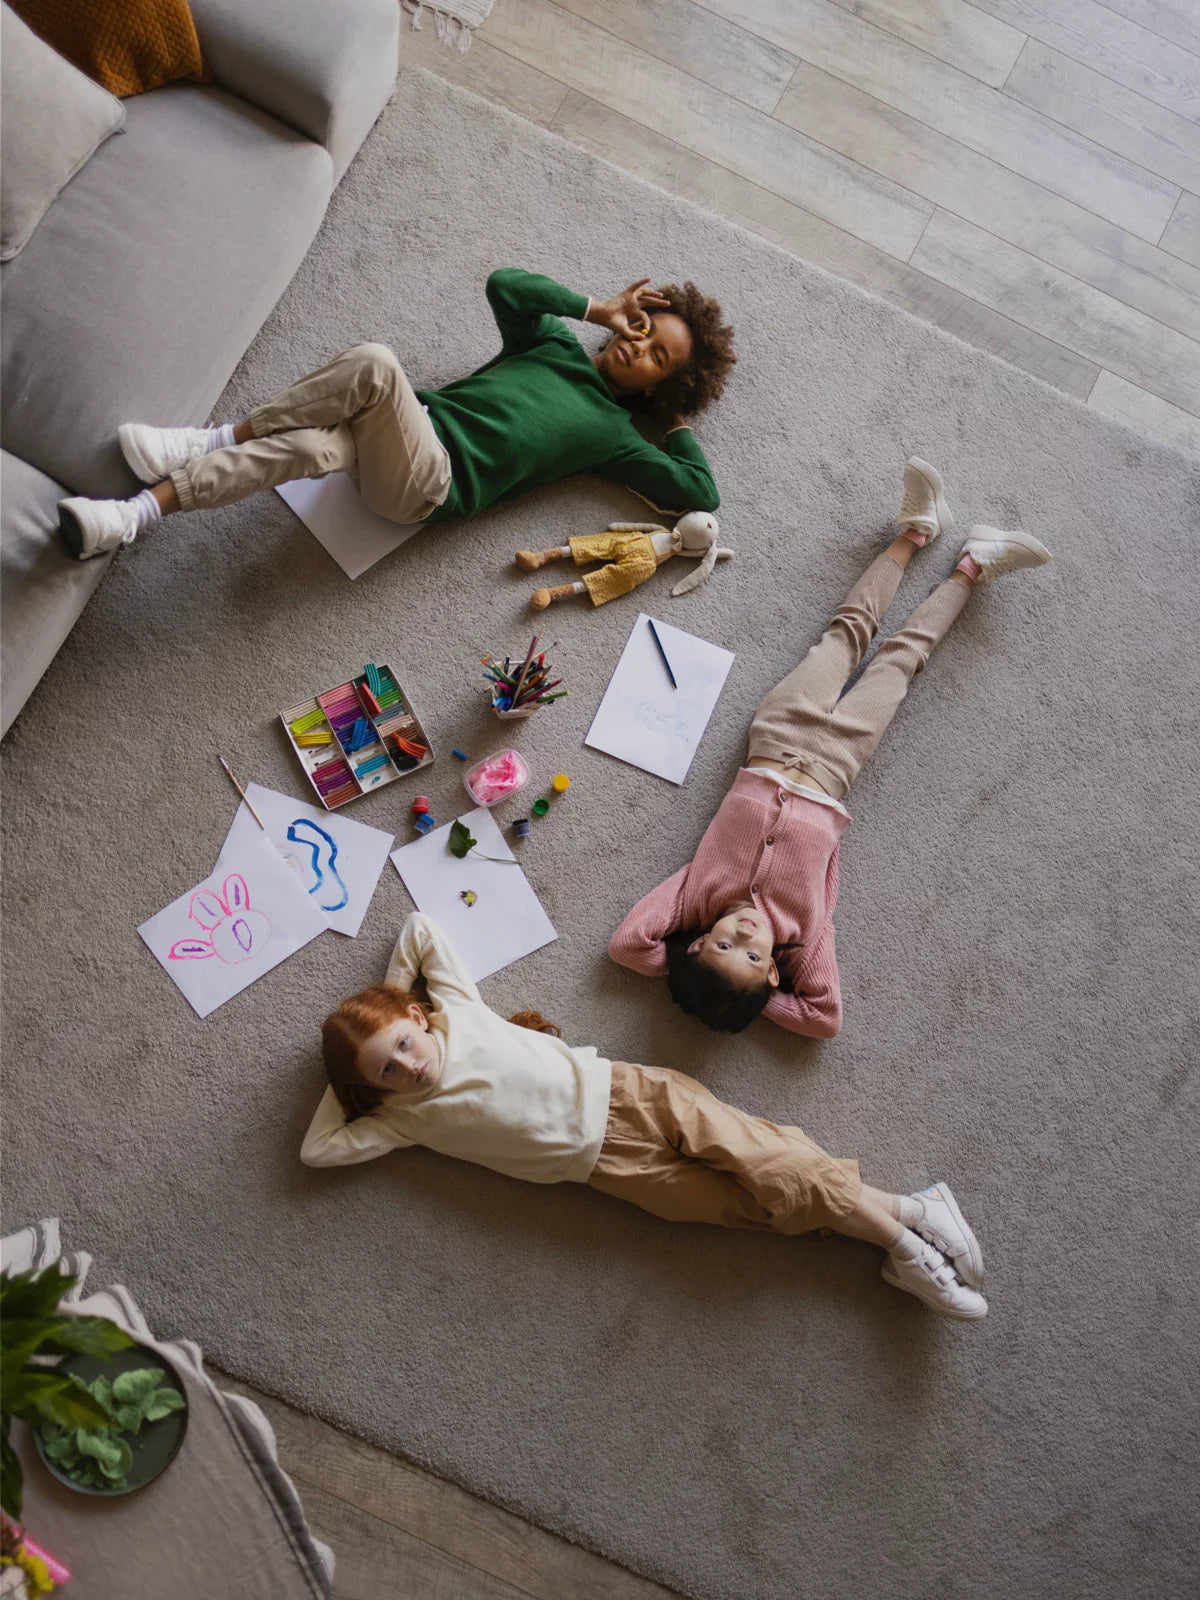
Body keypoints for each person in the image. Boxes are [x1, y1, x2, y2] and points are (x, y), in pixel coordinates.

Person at [302, 912, 990, 1320]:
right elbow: (319, 1150)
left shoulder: (454, 1011)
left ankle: (904, 1246)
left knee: (768, 1162)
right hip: (608, 1171)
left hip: (631, 1094)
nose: (407, 1063)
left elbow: (421, 926)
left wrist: (387, 1005)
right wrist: (355, 1082)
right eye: (388, 1070)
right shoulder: (398, 1120)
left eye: (402, 1043)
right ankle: (909, 1209)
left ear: (416, 1017)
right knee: (749, 1206)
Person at [609, 459, 1052, 1036]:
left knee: (846, 633)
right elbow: (823, 1019)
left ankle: (916, 531)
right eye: (751, 957)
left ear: (696, 944)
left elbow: (627, 947)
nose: (742, 936)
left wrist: (695, 971)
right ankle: (973, 567)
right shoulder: (805, 934)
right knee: (902, 657)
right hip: (840, 764)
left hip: (778, 735)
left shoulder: (694, 900)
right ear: (772, 973)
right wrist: (750, 997)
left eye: (721, 945)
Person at [57, 268, 736, 559]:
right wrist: (593, 307)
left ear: (658, 387)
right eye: (644, 327)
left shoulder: (615, 435)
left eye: (657, 358)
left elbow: (698, 494)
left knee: (377, 363)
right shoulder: (552, 339)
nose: (637, 342)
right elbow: (506, 286)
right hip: (397, 436)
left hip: (430, 486)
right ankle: (133, 517)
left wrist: (673, 419)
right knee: (304, 451)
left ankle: (204, 439)